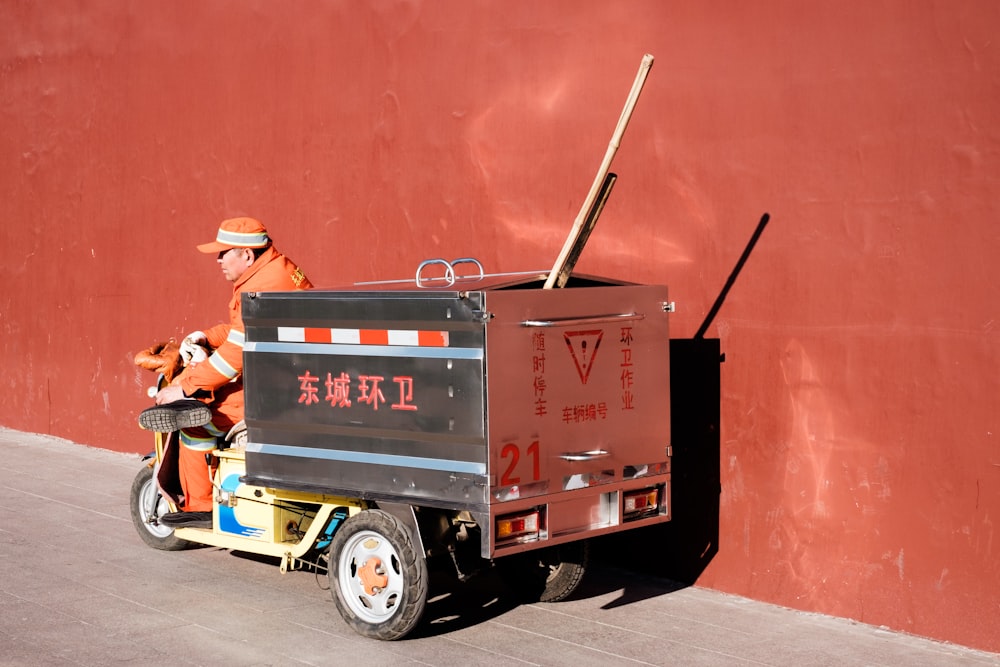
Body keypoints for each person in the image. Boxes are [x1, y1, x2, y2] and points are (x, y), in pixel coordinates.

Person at [139, 217, 312, 527]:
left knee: (197, 423)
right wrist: (205, 336)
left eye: (223, 252)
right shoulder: (273, 271)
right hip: (286, 378)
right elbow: (240, 332)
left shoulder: (262, 285)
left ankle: (202, 508)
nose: (218, 260)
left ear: (246, 254)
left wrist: (185, 386)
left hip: (274, 390)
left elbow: (233, 357)